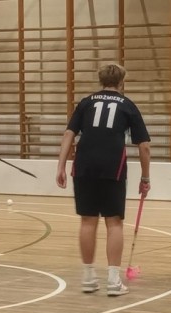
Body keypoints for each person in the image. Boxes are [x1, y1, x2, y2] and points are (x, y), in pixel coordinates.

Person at [55, 63, 151, 297]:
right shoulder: (127, 105)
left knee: (88, 221)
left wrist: (61, 166)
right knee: (114, 222)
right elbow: (144, 146)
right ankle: (113, 281)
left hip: (84, 164)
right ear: (122, 82)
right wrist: (145, 177)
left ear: (100, 80)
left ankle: (89, 278)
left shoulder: (86, 102)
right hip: (112, 166)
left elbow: (69, 134)